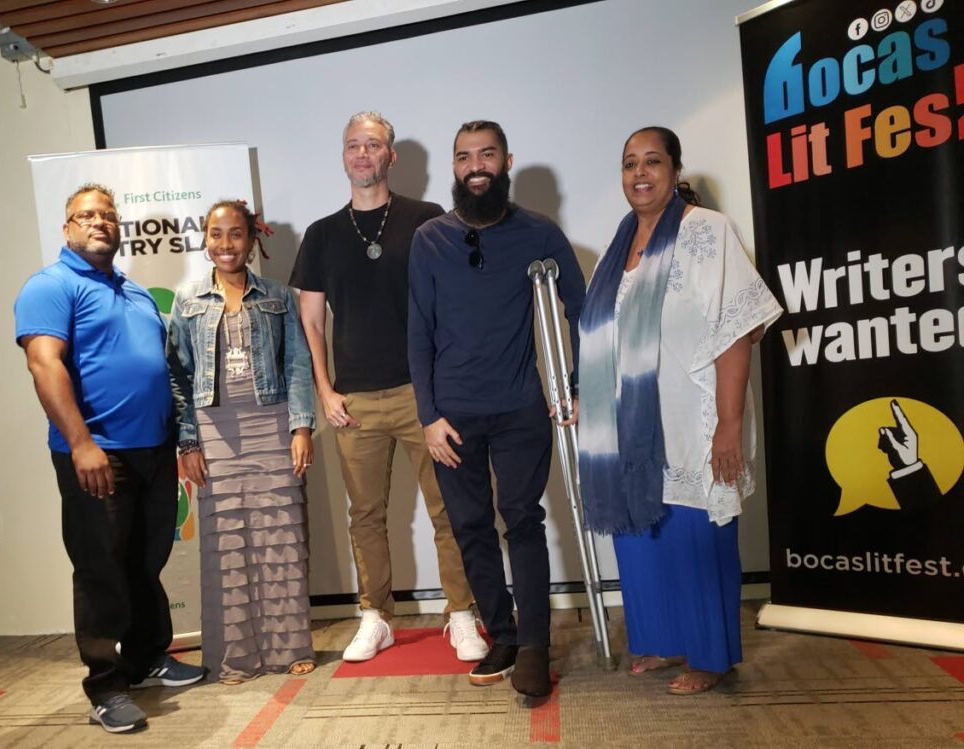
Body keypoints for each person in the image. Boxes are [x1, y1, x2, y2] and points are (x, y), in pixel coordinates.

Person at [577, 127, 782, 695]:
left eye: (652, 161)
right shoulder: (617, 250)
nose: (639, 173)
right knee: (646, 538)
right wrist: (584, 401)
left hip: (693, 426)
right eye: (629, 164)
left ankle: (712, 658)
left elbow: (737, 331)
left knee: (698, 539)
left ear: (674, 169)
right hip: (632, 432)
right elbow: (604, 346)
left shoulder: (705, 232)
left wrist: (729, 425)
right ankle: (666, 641)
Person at [290, 111, 486, 663]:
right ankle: (375, 617)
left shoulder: (429, 221)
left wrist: (445, 386)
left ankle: (462, 615)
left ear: (390, 156)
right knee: (366, 516)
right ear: (344, 155)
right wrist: (325, 392)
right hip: (353, 402)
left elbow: (455, 304)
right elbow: (310, 320)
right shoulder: (323, 234)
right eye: (353, 144)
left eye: (372, 145)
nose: (361, 154)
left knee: (449, 508)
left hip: (423, 396)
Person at [15, 184, 206, 734]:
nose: (99, 223)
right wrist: (80, 443)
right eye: (86, 216)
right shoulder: (50, 287)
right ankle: (105, 685)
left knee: (146, 565)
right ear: (67, 227)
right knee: (100, 571)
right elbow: (45, 367)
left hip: (153, 452)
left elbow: (162, 371)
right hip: (98, 454)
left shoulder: (135, 291)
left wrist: (179, 440)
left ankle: (146, 658)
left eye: (107, 215)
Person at [408, 120, 585, 698]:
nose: (476, 165)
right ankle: (502, 634)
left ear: (507, 160)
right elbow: (419, 332)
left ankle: (535, 644)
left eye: (487, 154)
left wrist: (577, 384)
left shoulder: (538, 233)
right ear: (454, 167)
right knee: (470, 528)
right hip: (452, 417)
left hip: (517, 408)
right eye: (464, 157)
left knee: (523, 521)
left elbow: (580, 309)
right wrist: (429, 415)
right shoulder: (430, 238)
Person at [167, 200, 317, 683]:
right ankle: (238, 657)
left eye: (236, 234)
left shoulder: (276, 295)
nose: (226, 244)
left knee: (281, 538)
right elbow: (178, 376)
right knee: (226, 544)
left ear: (252, 240)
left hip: (271, 427)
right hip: (215, 433)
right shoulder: (187, 299)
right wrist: (187, 443)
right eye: (216, 234)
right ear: (205, 239)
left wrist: (300, 428)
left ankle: (290, 647)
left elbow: (296, 364)